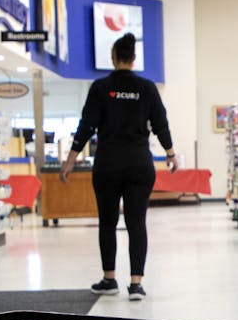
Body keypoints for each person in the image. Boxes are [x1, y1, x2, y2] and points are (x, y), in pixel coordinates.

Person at [60, 32, 177, 300]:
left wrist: (70, 160)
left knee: (108, 222)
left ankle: (109, 279)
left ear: (113, 58)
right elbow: (161, 123)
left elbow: (86, 125)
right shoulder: (147, 88)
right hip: (139, 163)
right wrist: (170, 153)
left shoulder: (101, 87)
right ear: (134, 59)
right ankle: (136, 284)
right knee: (137, 222)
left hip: (108, 164)